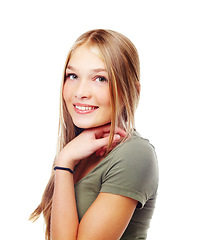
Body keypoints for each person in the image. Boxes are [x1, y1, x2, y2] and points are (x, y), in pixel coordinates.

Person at [30, 29, 159, 240]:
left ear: (132, 91)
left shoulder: (134, 153)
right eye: (72, 76)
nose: (80, 92)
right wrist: (66, 160)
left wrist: (63, 162)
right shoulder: (78, 150)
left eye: (100, 78)